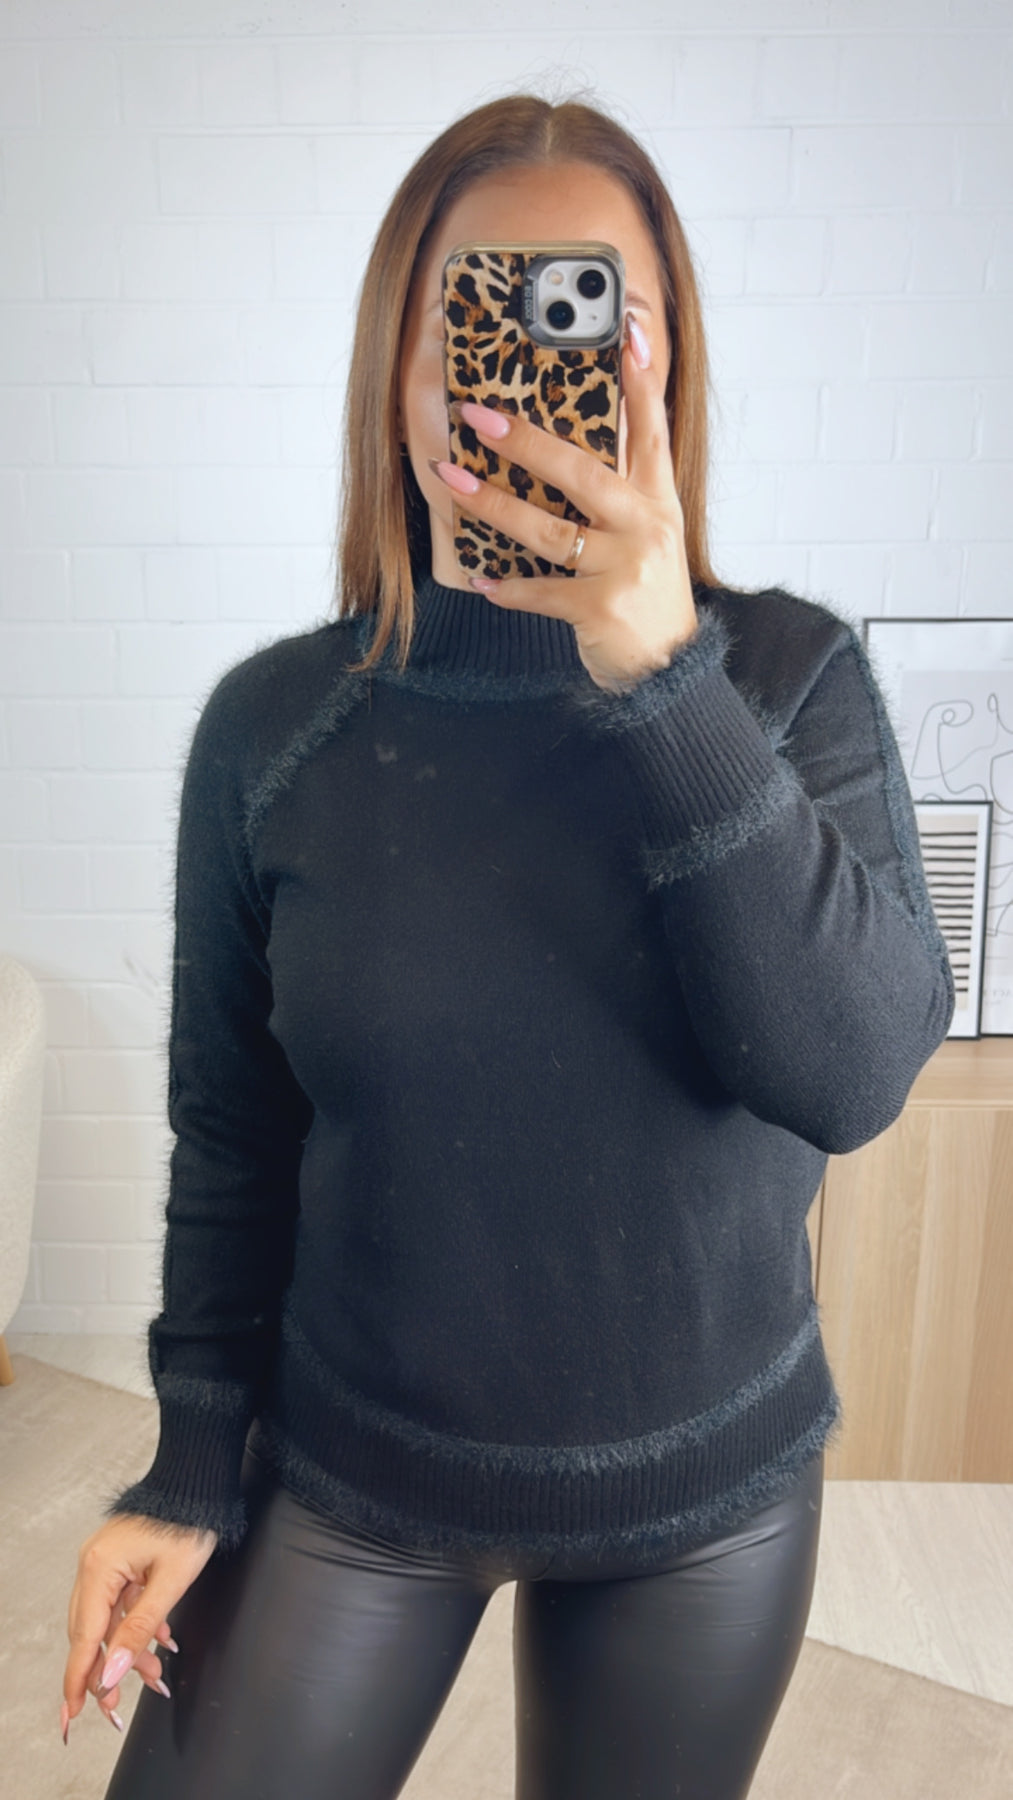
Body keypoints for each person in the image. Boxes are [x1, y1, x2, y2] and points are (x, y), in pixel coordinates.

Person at [60, 92, 954, 1800]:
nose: (530, 369)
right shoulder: (276, 728)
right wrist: (187, 1465)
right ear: (398, 368)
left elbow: (849, 1075)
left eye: (595, 316)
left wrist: (664, 678)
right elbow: (233, 1136)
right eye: (474, 314)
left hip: (704, 1500)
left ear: (663, 367)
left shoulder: (790, 680)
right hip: (358, 1472)